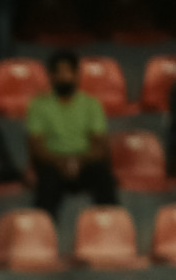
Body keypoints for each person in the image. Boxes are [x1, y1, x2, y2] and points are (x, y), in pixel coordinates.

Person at [26, 49, 118, 219]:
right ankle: (43, 236)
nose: (64, 77)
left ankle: (111, 230)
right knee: (46, 185)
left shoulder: (91, 104)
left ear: (76, 75)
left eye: (68, 72)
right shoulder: (39, 105)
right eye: (59, 73)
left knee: (105, 178)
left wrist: (76, 161)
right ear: (51, 76)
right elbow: (36, 146)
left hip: (85, 163)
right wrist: (61, 162)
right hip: (53, 164)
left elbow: (100, 145)